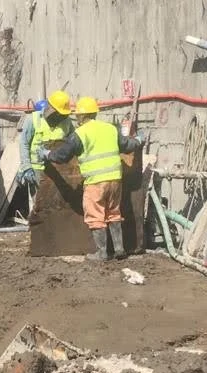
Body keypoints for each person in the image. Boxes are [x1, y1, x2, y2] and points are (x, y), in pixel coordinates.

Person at [41, 96, 142, 261]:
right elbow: (127, 146)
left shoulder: (79, 134)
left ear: (81, 116)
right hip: (115, 180)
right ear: (95, 113)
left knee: (95, 216)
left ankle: (102, 253)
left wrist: (46, 154)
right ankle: (119, 249)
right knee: (114, 213)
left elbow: (62, 156)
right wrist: (138, 140)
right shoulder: (110, 128)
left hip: (95, 182)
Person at [17, 91, 75, 188]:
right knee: (37, 202)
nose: (63, 117)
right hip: (37, 170)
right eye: (60, 113)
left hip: (59, 170)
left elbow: (73, 143)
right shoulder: (33, 119)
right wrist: (26, 167)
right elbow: (24, 143)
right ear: (51, 109)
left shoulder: (67, 122)